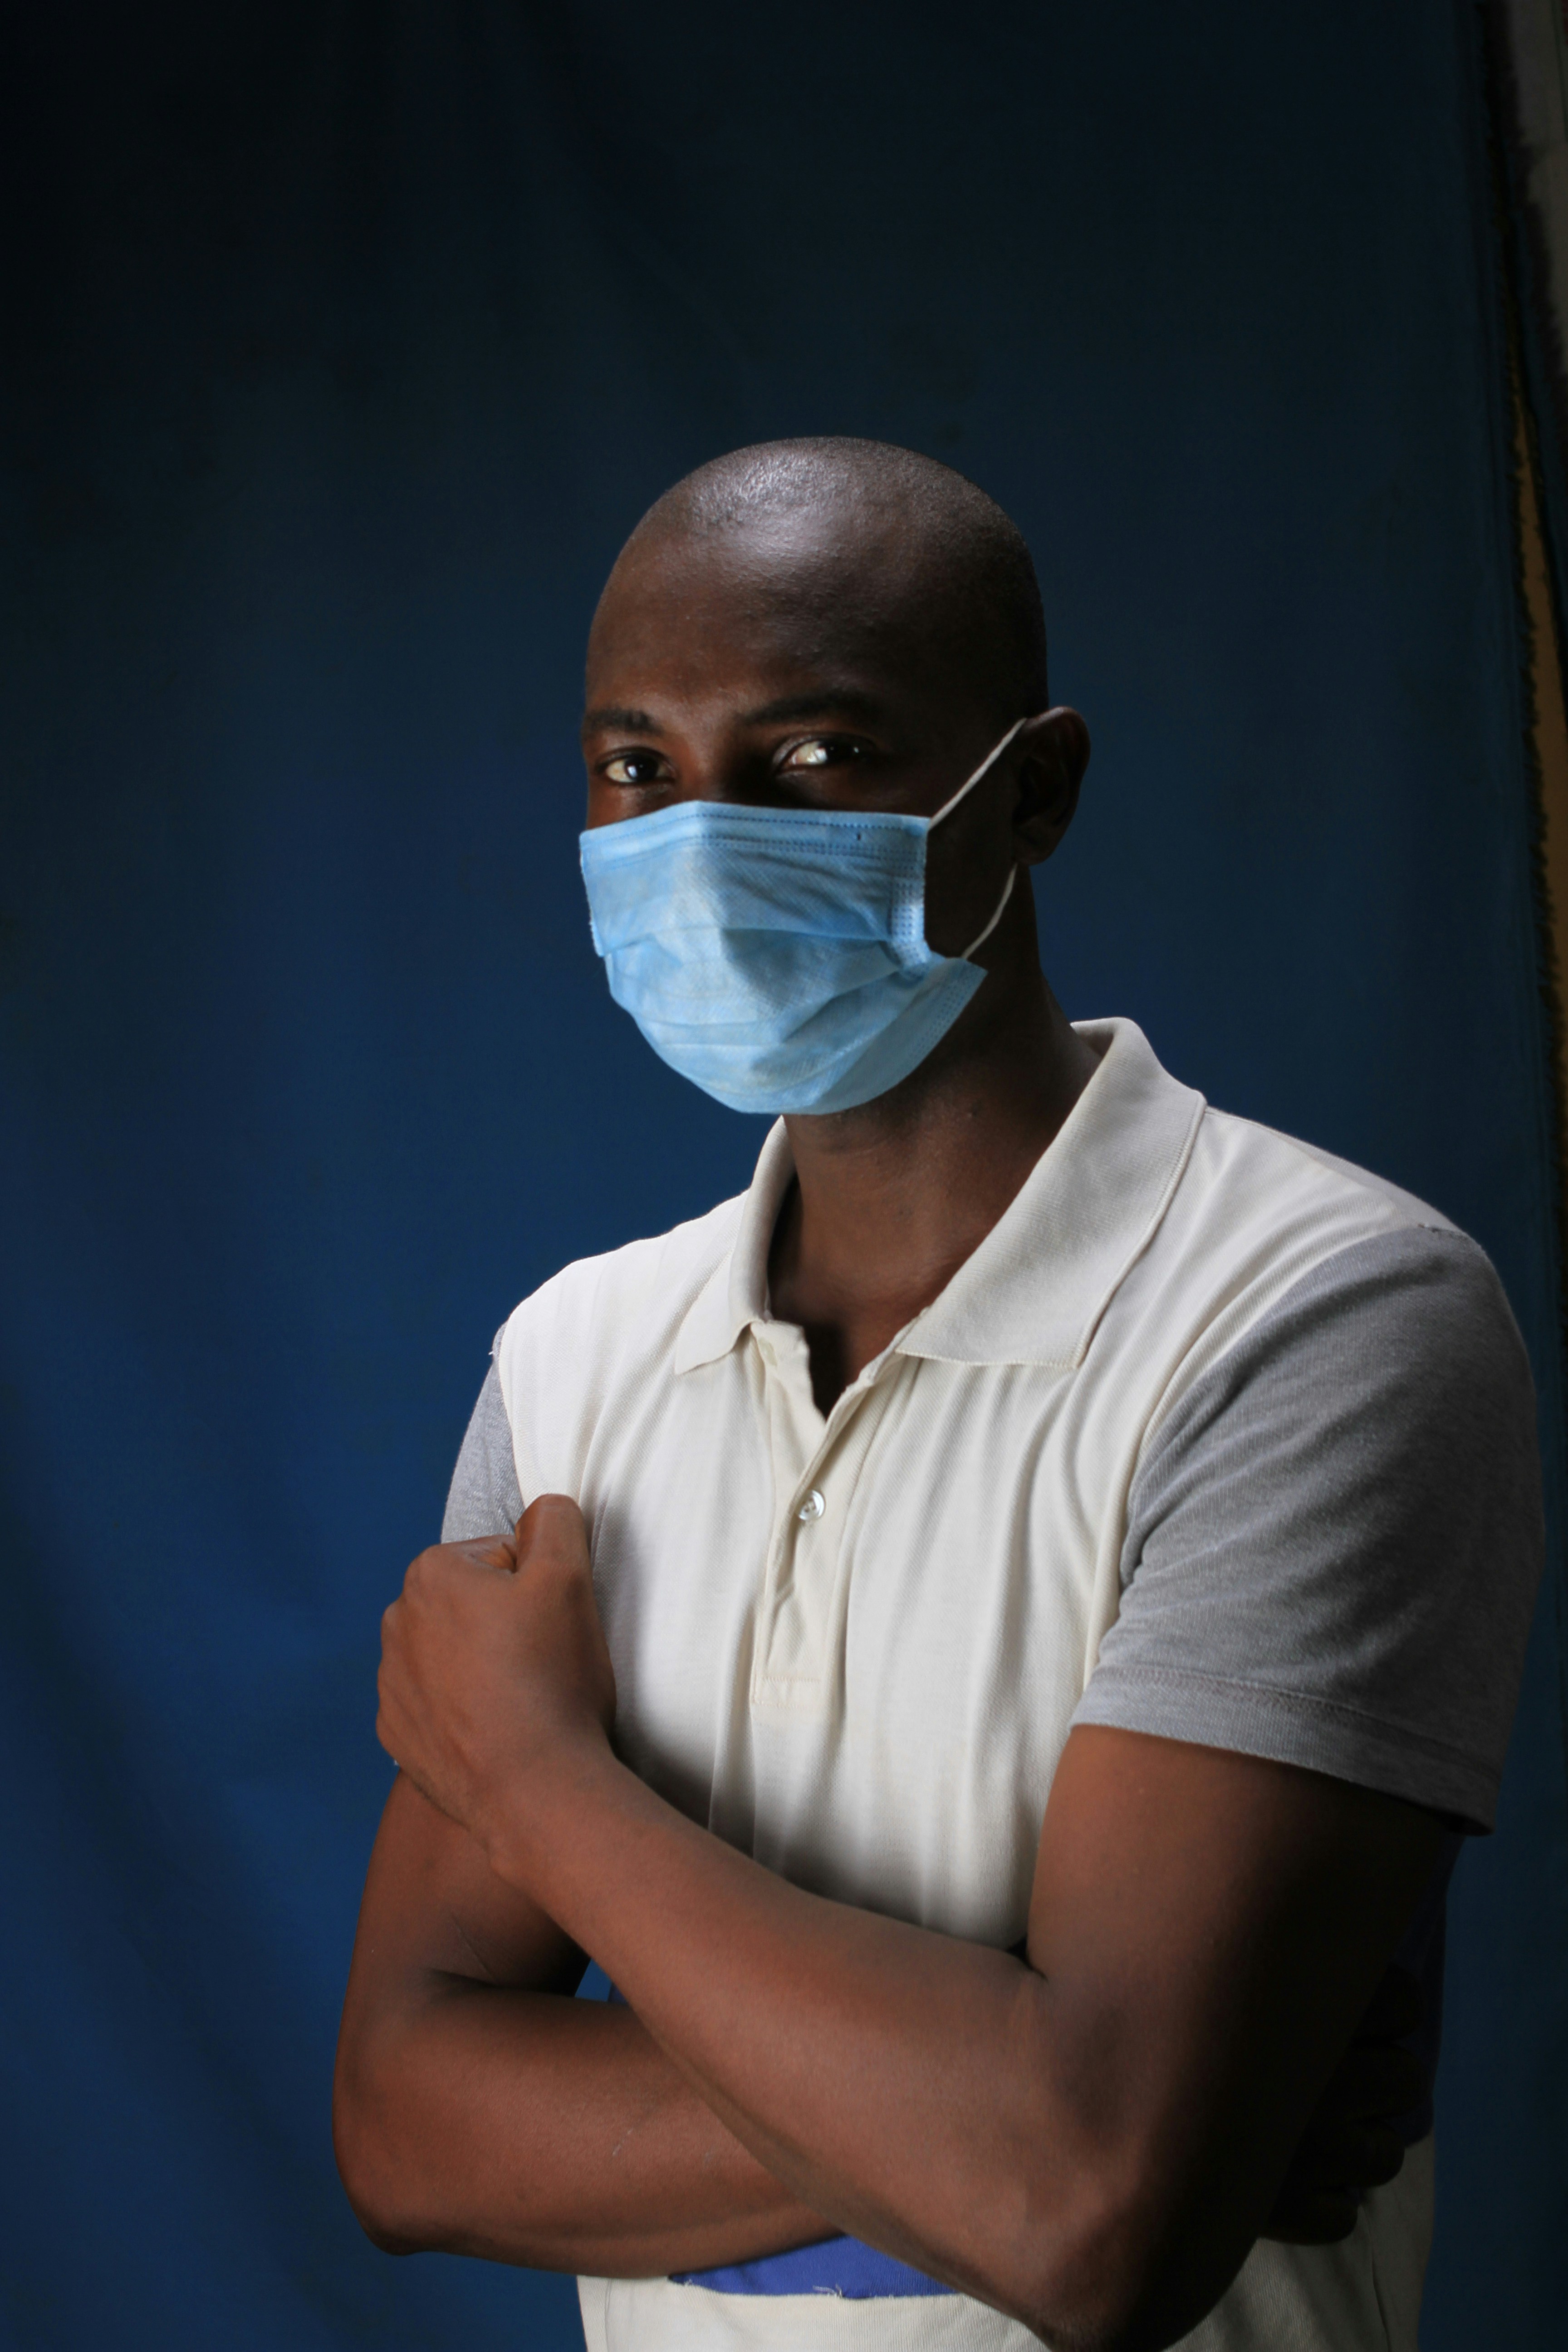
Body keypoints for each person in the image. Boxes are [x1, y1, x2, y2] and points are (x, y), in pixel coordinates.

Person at [333, 439, 1543, 2352]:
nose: (705, 837)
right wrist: (1034, 2108)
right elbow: (402, 2128)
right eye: (637, 767)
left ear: (1034, 790)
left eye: (817, 757)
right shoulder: (570, 1359)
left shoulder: (1321, 1317)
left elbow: (1089, 2219)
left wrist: (543, 1787)